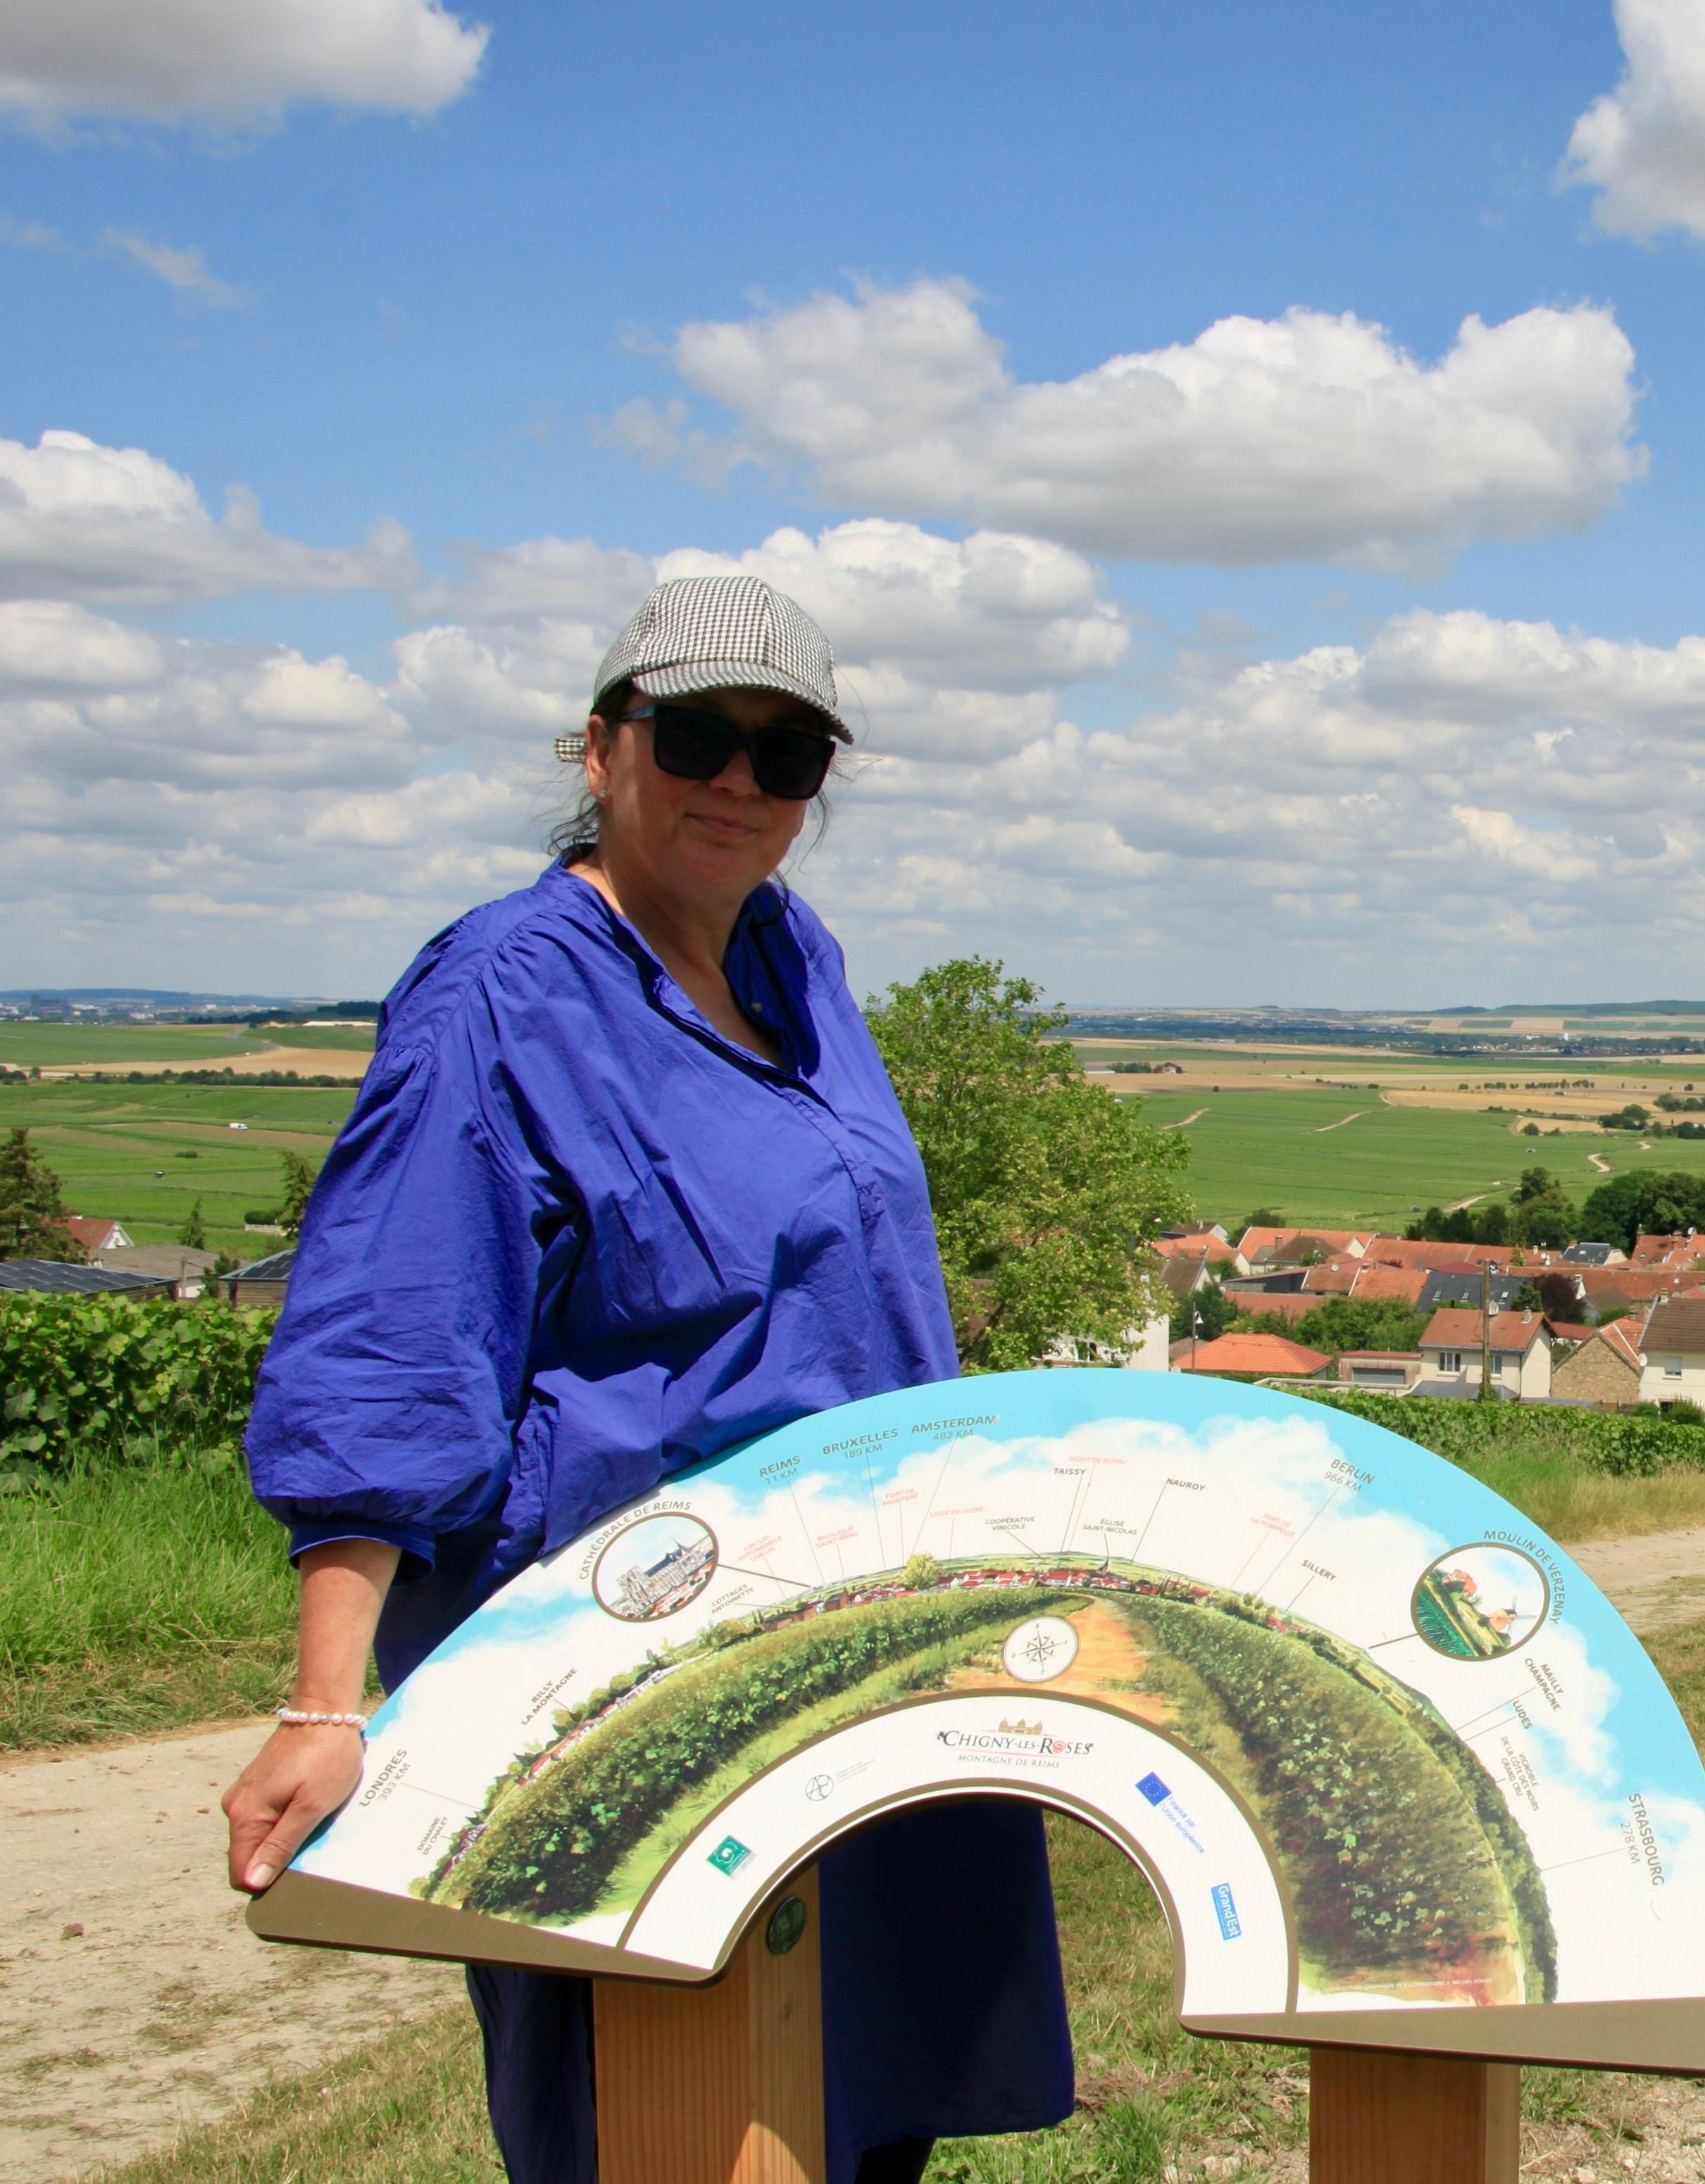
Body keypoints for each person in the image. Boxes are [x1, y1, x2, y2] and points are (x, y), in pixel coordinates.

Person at [219, 577, 1075, 2183]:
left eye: (786, 756)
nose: (738, 785)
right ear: (603, 745)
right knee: (666, 2115)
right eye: (695, 738)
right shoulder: (500, 992)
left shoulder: (791, 955)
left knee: (858, 2103)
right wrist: (327, 1704)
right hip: (632, 1663)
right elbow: (394, 1340)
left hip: (860, 1636)